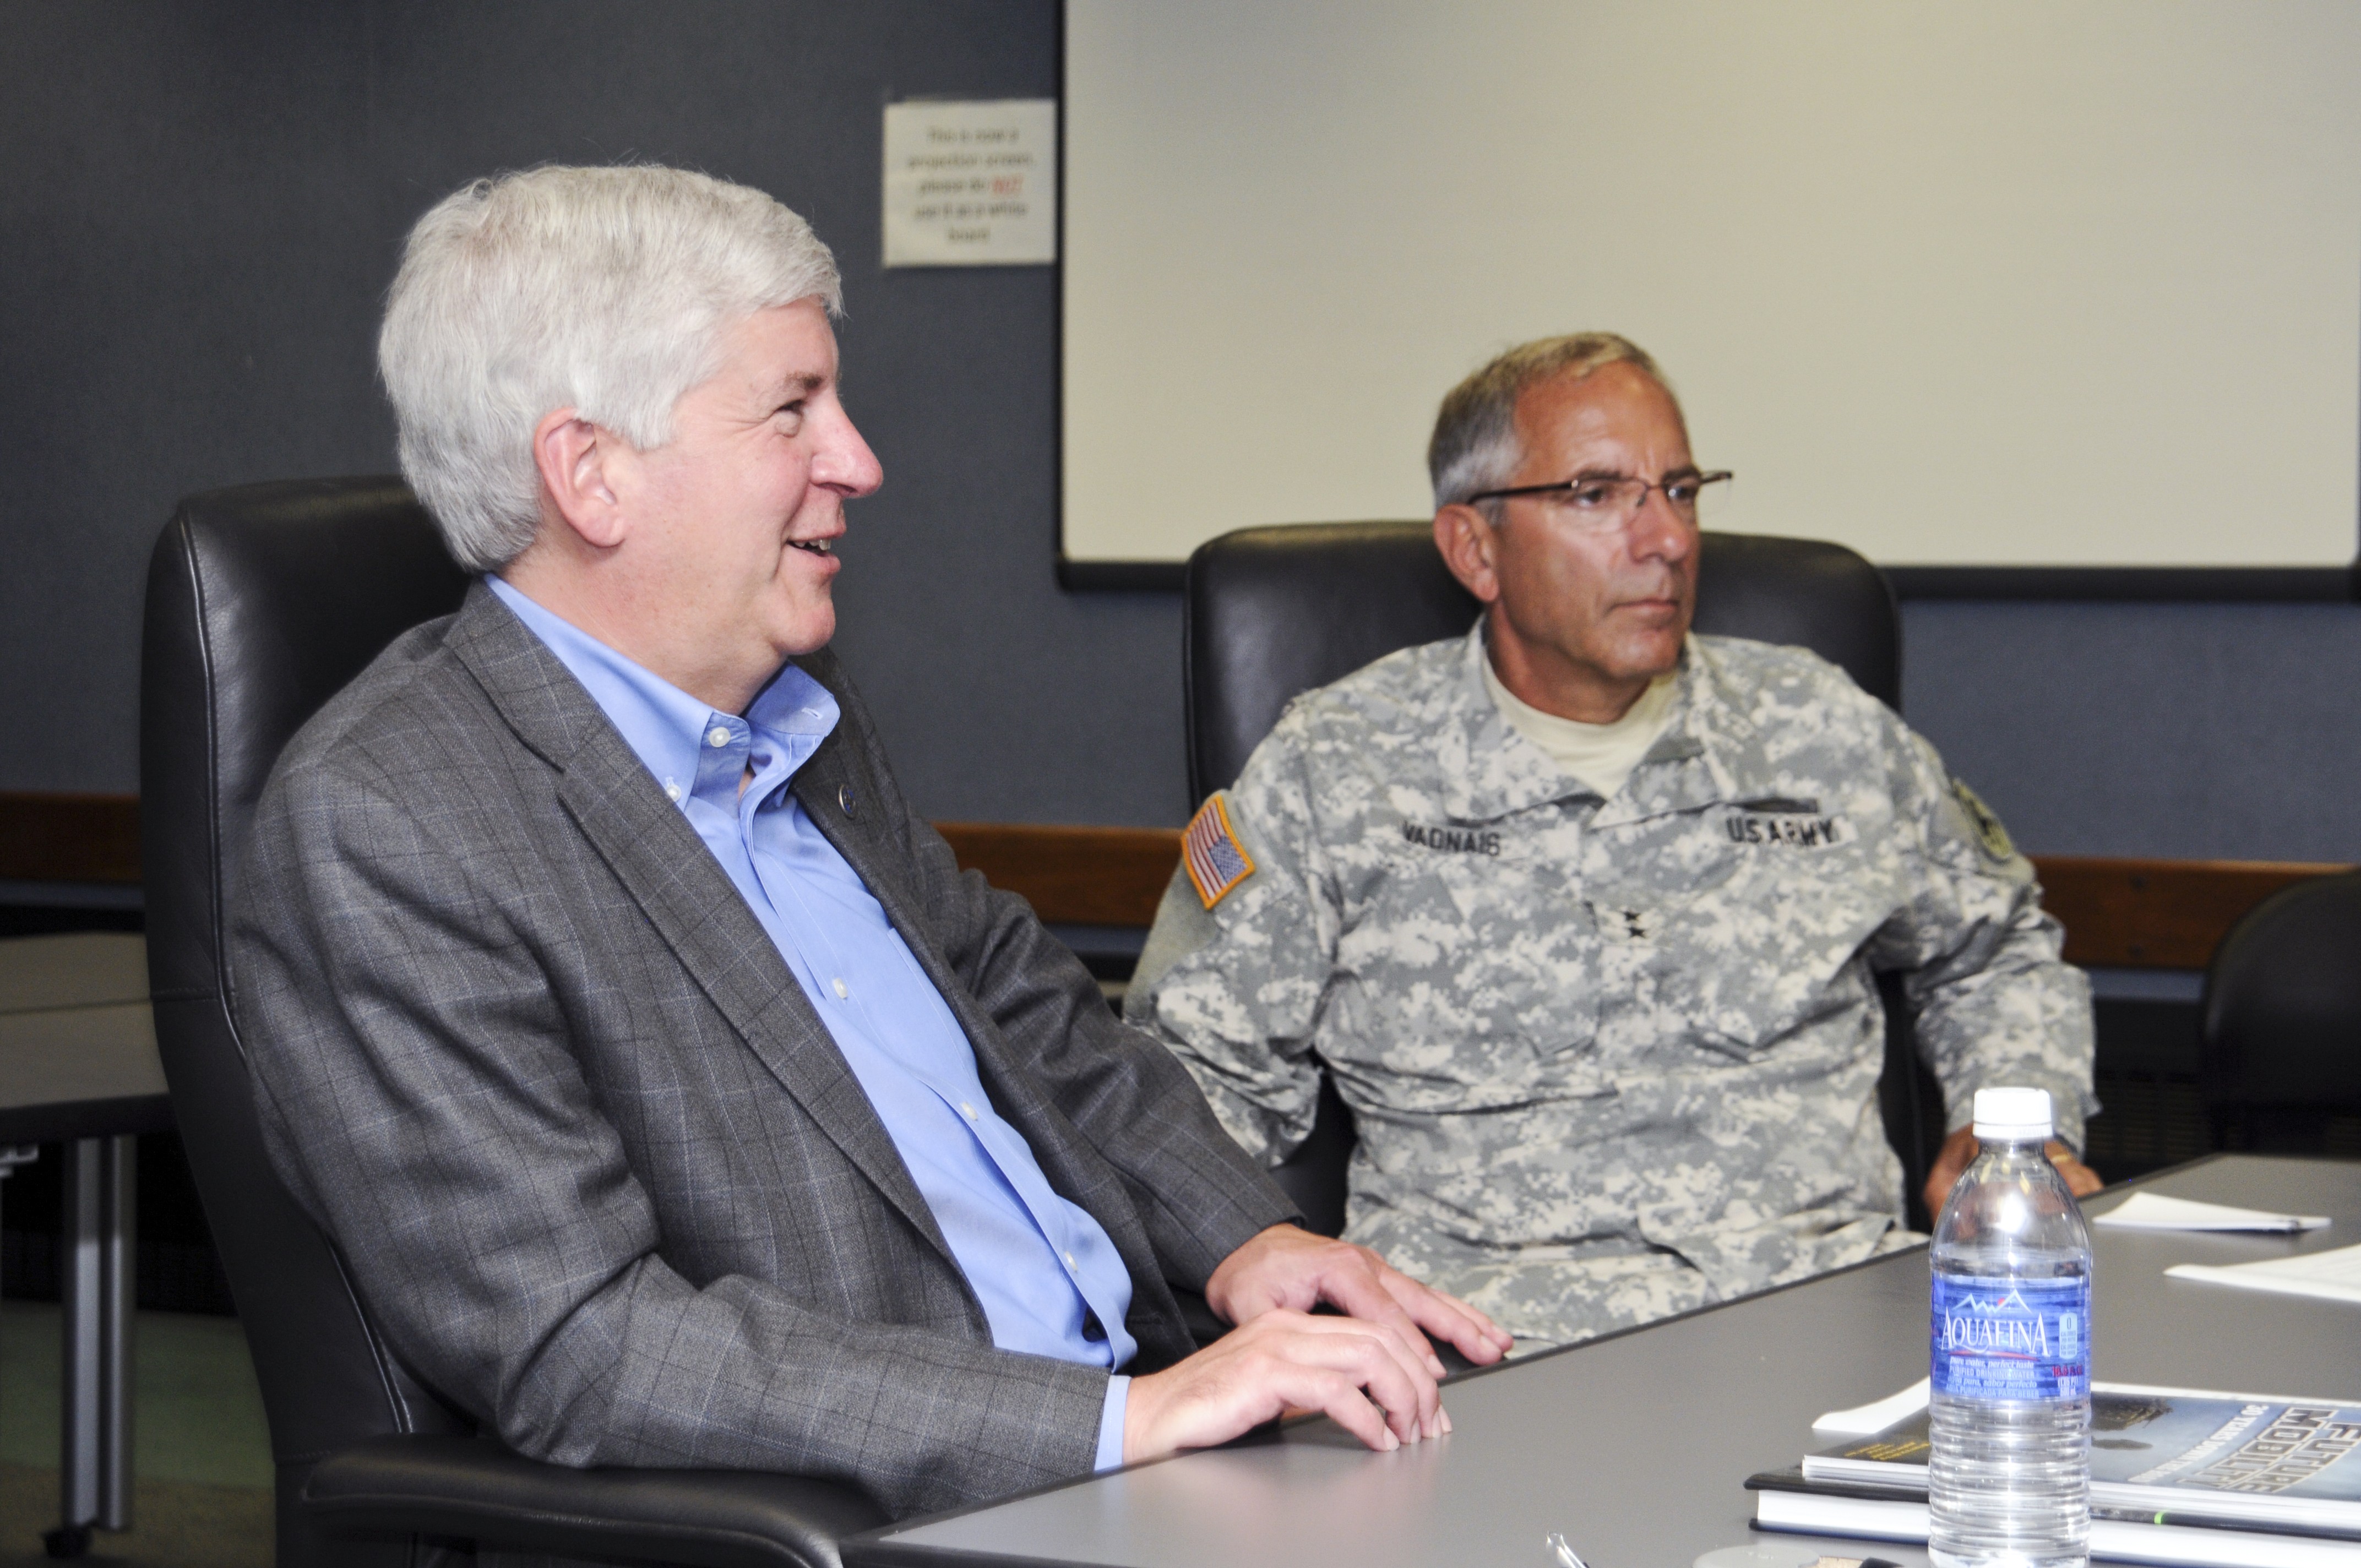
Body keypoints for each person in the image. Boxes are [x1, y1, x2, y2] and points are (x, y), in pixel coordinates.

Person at [227, 165, 1510, 1522]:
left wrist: (1249, 1237)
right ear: (589, 473)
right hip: (918, 1514)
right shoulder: (389, 822)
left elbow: (1032, 1015)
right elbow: (586, 1347)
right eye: (792, 408)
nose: (859, 459)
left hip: (1145, 1437)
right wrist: (1122, 1418)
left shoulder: (799, 717)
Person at [1125, 333, 2100, 1351]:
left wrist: (2012, 1137)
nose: (1667, 539)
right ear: (1476, 549)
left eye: (1679, 490)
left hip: (1829, 1321)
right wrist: (1259, 1258)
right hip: (1491, 1356)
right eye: (1599, 494)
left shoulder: (1822, 731)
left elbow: (1998, 946)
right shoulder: (1338, 767)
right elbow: (1191, 1078)